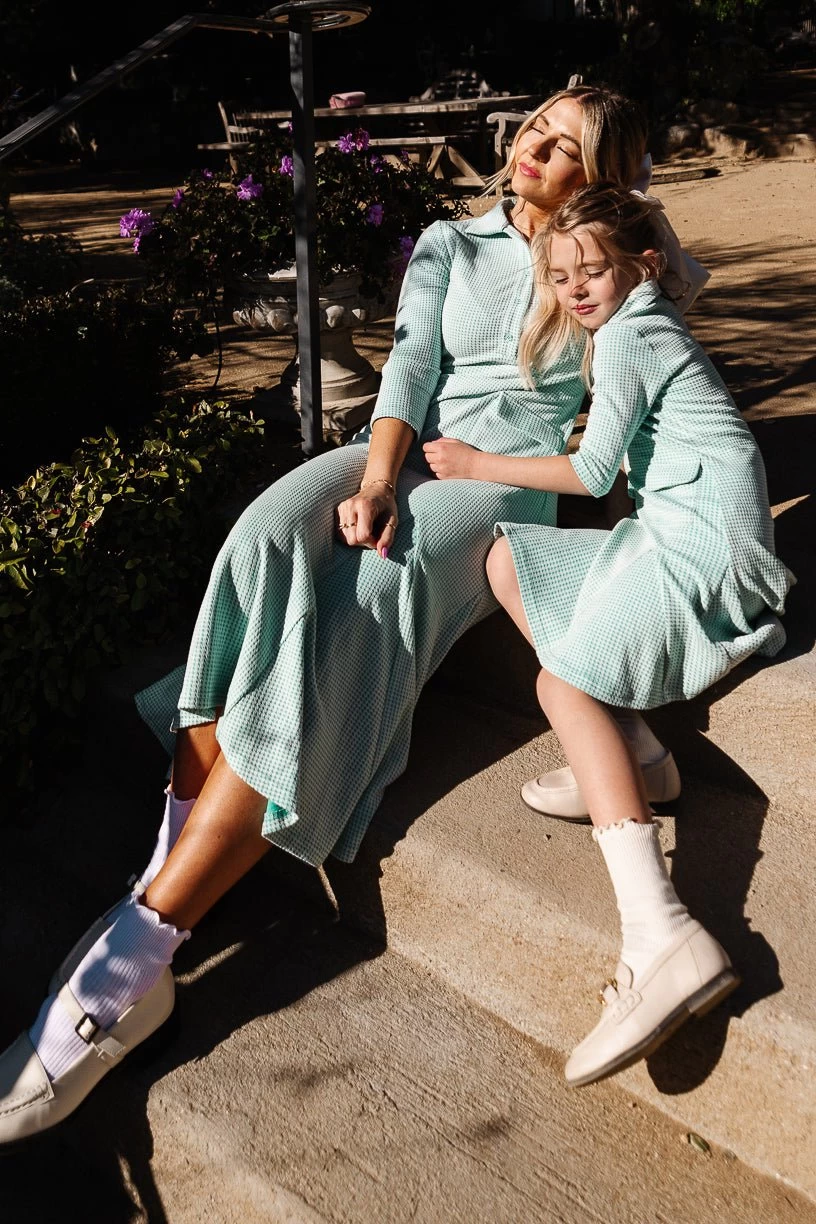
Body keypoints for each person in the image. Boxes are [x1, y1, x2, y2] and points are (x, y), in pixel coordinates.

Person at [0, 88, 700, 1141]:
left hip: (503, 475)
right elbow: (409, 367)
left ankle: (137, 955)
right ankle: (171, 864)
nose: (533, 149)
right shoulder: (452, 242)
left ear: (600, 176)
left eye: (566, 148)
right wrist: (376, 478)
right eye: (536, 128)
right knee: (263, 537)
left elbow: (658, 356)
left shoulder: (598, 263)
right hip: (409, 448)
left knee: (367, 592)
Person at [422, 182, 794, 1085]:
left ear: (644, 266)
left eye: (594, 269)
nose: (576, 288)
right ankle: (640, 753)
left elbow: (593, 473)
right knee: (510, 561)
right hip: (669, 529)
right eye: (560, 275)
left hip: (706, 553)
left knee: (558, 684)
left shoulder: (634, 332)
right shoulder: (635, 319)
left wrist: (473, 463)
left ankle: (660, 930)